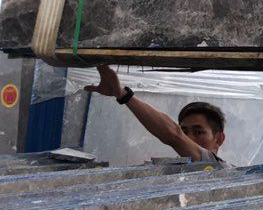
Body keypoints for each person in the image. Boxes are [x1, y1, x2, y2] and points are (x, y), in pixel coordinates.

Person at [85, 64, 228, 164]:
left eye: (199, 132)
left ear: (219, 139)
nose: (188, 138)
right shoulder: (175, 171)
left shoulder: (220, 170)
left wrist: (122, 94)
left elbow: (174, 136)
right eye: (184, 132)